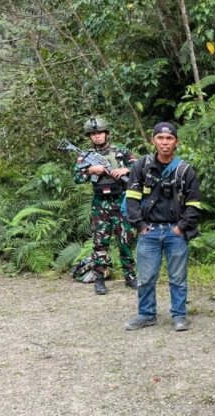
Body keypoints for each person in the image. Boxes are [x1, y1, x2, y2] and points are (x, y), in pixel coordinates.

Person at [123, 122, 201, 332]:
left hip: (175, 232)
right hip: (149, 231)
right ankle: (146, 314)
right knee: (146, 277)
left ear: (176, 142)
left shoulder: (185, 170)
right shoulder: (142, 166)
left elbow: (194, 204)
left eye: (169, 139)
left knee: (178, 277)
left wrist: (181, 227)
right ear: (153, 141)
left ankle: (179, 316)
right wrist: (139, 225)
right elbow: (131, 199)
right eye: (160, 138)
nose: (164, 143)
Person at [73, 117, 137, 295]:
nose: (97, 136)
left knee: (125, 241)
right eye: (93, 134)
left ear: (107, 133)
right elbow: (77, 178)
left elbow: (140, 169)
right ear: (89, 137)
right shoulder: (84, 157)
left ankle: (130, 277)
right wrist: (90, 171)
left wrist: (126, 170)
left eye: (100, 132)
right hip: (100, 205)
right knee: (100, 243)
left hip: (120, 201)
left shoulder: (121, 152)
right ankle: (99, 279)